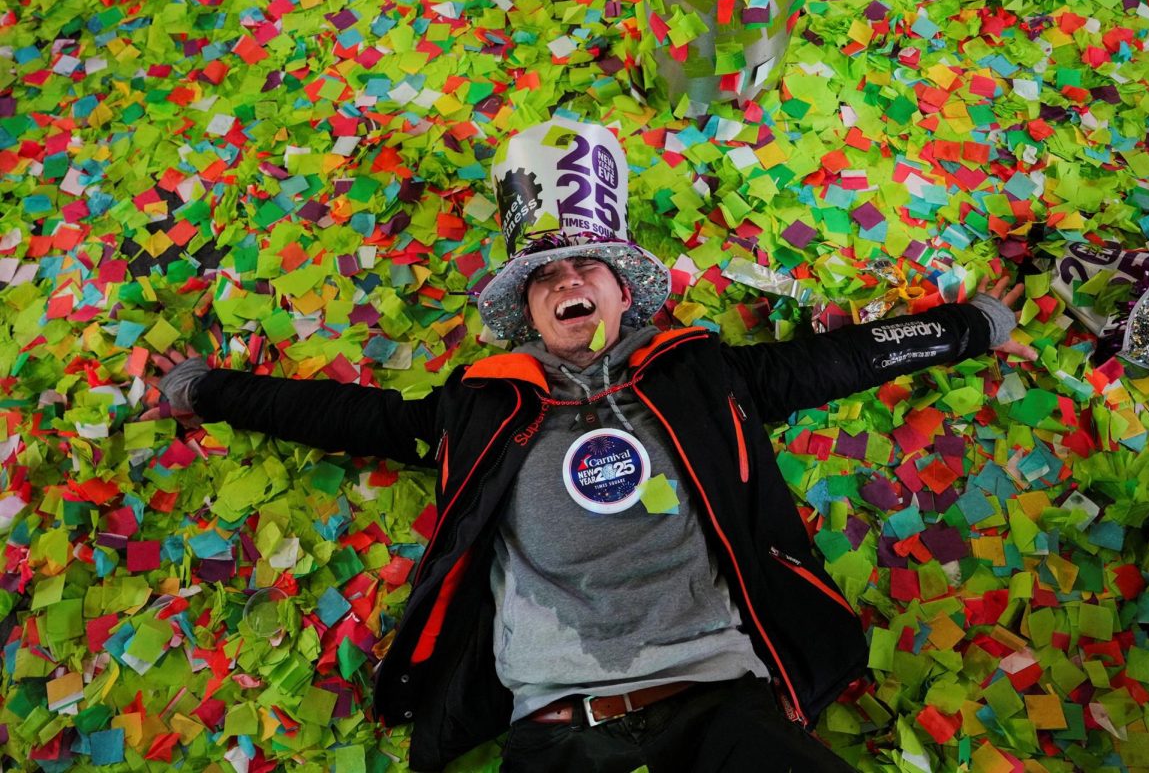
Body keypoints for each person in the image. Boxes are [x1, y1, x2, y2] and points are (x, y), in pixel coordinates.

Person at [157, 121, 1034, 773]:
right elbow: (350, 418)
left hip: (724, 708)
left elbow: (845, 357)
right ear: (530, 312)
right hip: (553, 728)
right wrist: (207, 390)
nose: (567, 280)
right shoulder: (480, 406)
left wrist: (975, 325)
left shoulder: (703, 376)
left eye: (588, 268)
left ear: (623, 295)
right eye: (545, 277)